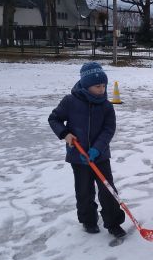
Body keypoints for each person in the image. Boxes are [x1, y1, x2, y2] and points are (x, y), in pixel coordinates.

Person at [48, 62, 126, 238]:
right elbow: (54, 119)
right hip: (79, 156)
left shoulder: (106, 106)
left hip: (100, 156)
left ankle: (113, 223)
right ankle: (88, 220)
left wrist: (97, 149)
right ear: (85, 85)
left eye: (104, 85)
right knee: (84, 190)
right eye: (97, 86)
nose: (102, 89)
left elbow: (108, 130)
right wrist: (65, 134)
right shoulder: (70, 102)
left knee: (108, 190)